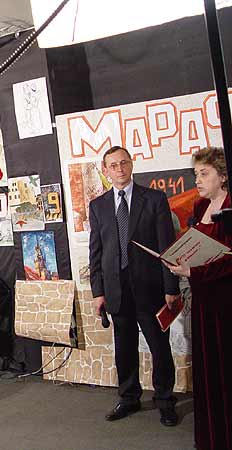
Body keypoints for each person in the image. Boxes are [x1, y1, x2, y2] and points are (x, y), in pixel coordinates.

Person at [89, 146, 180, 426]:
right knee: (124, 348)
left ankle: (165, 400)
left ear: (131, 164)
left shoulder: (154, 199)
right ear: (105, 171)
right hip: (116, 291)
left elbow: (167, 247)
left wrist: (171, 287)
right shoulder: (98, 206)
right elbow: (96, 252)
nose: (119, 169)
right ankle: (129, 398)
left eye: (123, 163)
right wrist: (98, 292)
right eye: (113, 165)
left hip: (151, 288)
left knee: (159, 347)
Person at [165, 147, 231, 450]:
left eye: (204, 173)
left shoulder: (230, 207)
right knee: (208, 371)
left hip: (225, 303)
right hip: (203, 300)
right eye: (196, 174)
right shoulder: (201, 204)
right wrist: (183, 263)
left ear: (223, 176)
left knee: (225, 370)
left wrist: (194, 270)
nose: (198, 180)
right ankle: (211, 438)